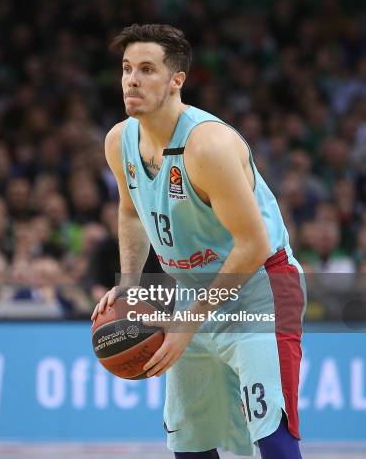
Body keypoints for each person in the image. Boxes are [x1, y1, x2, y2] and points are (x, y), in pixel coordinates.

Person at [92, 24, 305, 459]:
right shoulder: (119, 141)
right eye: (127, 68)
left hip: (260, 288)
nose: (132, 79)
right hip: (192, 290)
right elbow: (132, 210)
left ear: (177, 81)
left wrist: (187, 323)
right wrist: (130, 284)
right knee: (189, 439)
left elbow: (252, 245)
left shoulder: (207, 146)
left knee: (271, 435)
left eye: (147, 69)